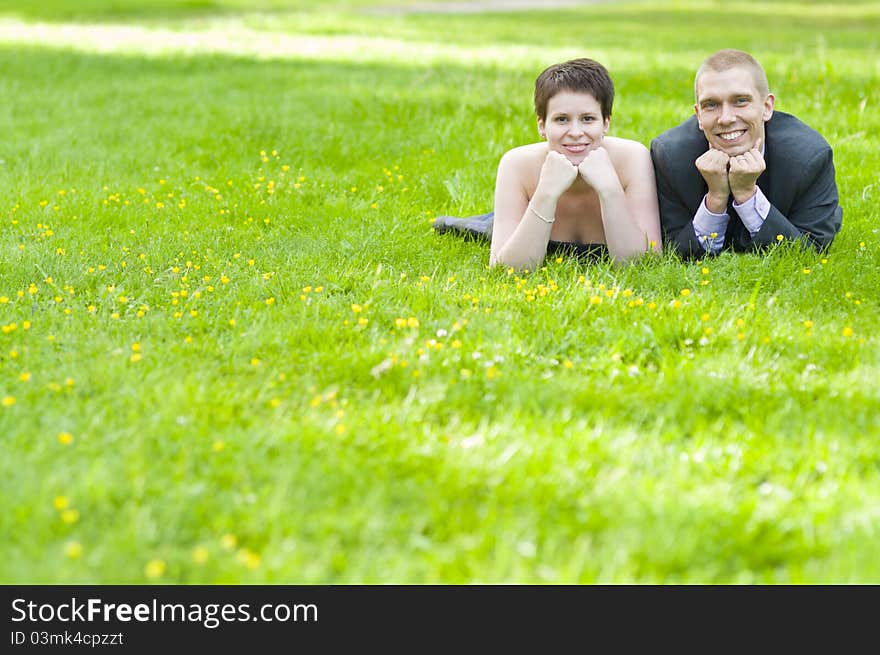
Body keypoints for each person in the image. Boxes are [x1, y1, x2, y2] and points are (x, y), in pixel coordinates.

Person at [434, 58, 662, 269]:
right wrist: (546, 193)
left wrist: (610, 189)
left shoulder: (633, 157)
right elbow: (507, 268)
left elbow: (643, 264)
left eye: (588, 119)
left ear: (606, 123)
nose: (575, 132)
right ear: (542, 126)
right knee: (485, 228)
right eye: (562, 119)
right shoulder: (516, 164)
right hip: (526, 221)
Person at [650, 49, 842, 258]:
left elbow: (809, 252)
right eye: (711, 105)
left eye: (740, 101)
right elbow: (674, 252)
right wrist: (715, 198)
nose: (726, 118)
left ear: (767, 107)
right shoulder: (670, 156)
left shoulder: (809, 157)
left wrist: (747, 194)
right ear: (698, 115)